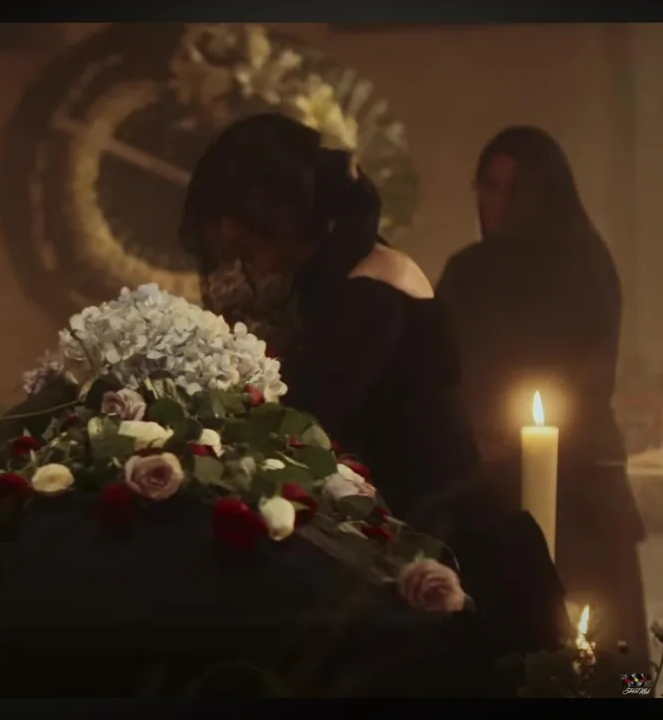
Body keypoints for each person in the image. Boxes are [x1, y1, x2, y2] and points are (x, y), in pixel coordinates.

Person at [179, 113, 569, 658]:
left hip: (458, 558)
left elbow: (304, 419)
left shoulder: (374, 284)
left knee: (626, 687)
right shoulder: (334, 280)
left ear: (281, 208)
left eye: (235, 215)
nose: (226, 234)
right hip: (399, 555)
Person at [436, 127, 648, 666]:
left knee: (609, 645)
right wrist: (472, 439)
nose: (498, 202)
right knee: (515, 649)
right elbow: (441, 368)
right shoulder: (467, 273)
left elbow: (589, 375)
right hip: (490, 487)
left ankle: (626, 699)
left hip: (580, 484)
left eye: (515, 189)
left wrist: (519, 437)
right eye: (489, 186)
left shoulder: (585, 267)